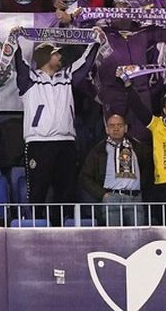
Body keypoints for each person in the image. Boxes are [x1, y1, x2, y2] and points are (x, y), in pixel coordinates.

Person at [13, 38, 101, 206]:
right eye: (56, 53)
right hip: (38, 143)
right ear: (46, 57)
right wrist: (14, 40)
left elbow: (85, 64)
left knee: (66, 191)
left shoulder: (67, 77)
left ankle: (63, 228)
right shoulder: (29, 79)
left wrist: (95, 42)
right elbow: (18, 61)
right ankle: (35, 227)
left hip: (66, 142)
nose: (60, 56)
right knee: (38, 190)